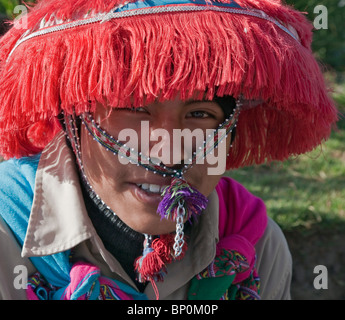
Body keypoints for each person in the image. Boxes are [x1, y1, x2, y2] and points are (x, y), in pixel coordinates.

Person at [0, 0, 338, 300]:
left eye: (199, 115)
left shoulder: (257, 245)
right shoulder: (7, 240)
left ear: (231, 131)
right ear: (73, 121)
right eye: (133, 108)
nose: (167, 153)